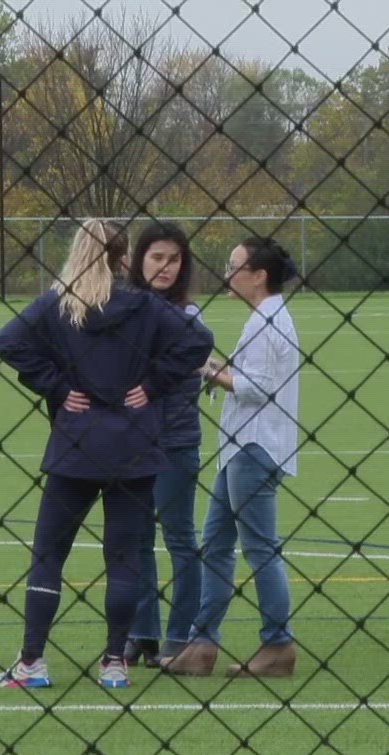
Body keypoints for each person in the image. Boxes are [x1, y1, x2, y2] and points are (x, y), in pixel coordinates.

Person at [0, 218, 214, 690]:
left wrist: (55, 385)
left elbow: (6, 341)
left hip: (76, 445)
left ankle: (32, 661)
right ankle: (115, 661)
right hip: (134, 446)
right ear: (123, 256)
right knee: (124, 557)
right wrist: (150, 385)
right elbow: (199, 341)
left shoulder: (59, 303)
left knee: (50, 554)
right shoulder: (145, 306)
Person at [164, 236, 301, 678]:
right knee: (217, 546)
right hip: (242, 446)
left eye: (234, 266)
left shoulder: (266, 321)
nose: (227, 274)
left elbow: (257, 386)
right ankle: (202, 643)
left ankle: (278, 645)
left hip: (254, 448)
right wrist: (221, 370)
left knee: (259, 547)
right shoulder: (265, 318)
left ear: (258, 275)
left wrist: (208, 370)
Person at [123, 223, 210, 667]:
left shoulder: (189, 317)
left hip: (174, 441)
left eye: (173, 259)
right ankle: (142, 633)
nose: (165, 266)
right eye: (157, 257)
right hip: (130, 442)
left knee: (179, 538)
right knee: (135, 538)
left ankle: (181, 637)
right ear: (139, 260)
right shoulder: (126, 309)